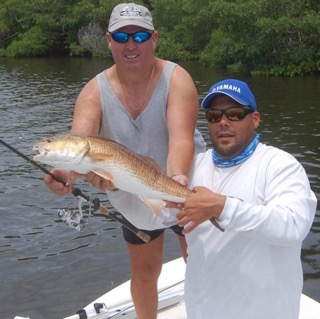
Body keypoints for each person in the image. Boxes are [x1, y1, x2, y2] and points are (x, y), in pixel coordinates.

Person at [44, 3, 206, 319]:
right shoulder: (93, 92)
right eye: (122, 36)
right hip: (130, 192)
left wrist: (176, 178)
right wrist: (63, 174)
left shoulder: (177, 79)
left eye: (140, 36)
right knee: (144, 272)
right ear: (108, 40)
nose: (131, 45)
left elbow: (181, 138)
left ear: (154, 39)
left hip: (185, 181)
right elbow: (80, 144)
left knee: (198, 261)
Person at [176, 79, 317, 319]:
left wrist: (222, 207)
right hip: (202, 311)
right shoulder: (191, 168)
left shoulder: (280, 165)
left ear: (255, 119)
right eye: (214, 116)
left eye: (235, 114)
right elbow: (153, 218)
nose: (223, 122)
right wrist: (115, 185)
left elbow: (292, 225)